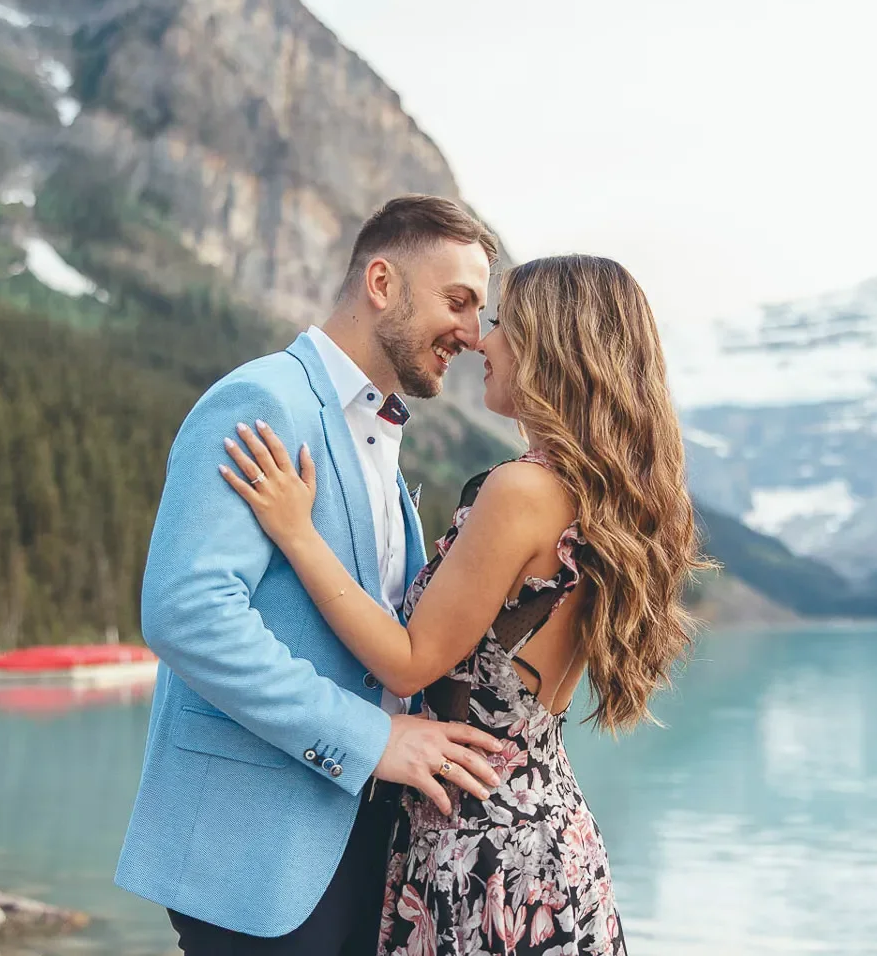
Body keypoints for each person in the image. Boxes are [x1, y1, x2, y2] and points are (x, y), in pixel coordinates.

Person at [220, 254, 708, 955]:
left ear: (555, 346)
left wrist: (297, 533)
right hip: (542, 836)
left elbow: (410, 663)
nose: (482, 340)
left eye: (504, 322)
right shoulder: (597, 494)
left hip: (486, 852)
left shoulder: (522, 492)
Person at [116, 195, 509, 954]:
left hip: (357, 837)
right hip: (253, 847)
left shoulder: (377, 427)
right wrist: (370, 739)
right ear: (383, 283)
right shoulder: (262, 399)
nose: (471, 331)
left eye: (480, 310)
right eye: (458, 302)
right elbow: (186, 613)